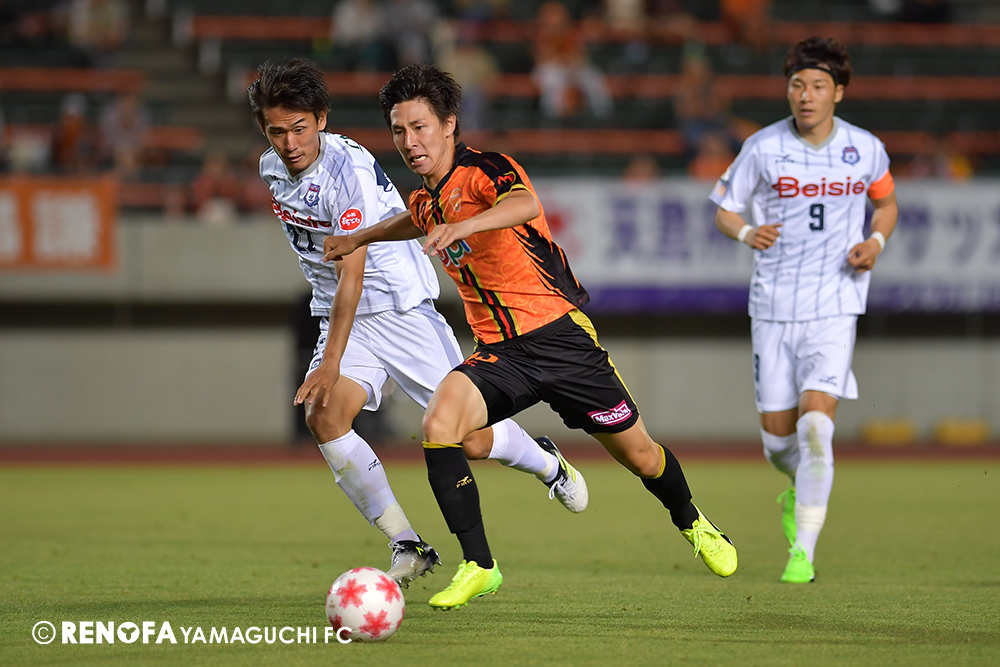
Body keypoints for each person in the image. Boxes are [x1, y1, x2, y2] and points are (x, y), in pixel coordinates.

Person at [323, 63, 737, 610]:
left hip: (561, 340)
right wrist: (361, 237)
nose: (410, 141)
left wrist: (465, 225)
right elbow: (413, 220)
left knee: (641, 456)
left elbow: (525, 205)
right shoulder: (424, 201)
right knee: (441, 427)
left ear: (448, 124)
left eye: (420, 127)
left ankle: (692, 520)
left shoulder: (486, 170)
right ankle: (479, 565)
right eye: (399, 131)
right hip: (501, 354)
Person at [246, 59, 587, 588]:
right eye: (277, 132)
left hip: (400, 309)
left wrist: (329, 361)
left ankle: (547, 463)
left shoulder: (348, 171)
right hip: (343, 315)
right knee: (324, 415)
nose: (290, 143)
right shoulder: (271, 167)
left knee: (472, 439)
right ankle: (408, 543)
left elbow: (354, 274)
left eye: (300, 128)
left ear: (322, 119)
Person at [710, 37, 899, 583]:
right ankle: (797, 487)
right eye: (797, 85)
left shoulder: (865, 148)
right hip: (773, 306)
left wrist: (875, 243)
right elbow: (724, 209)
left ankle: (804, 552)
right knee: (778, 442)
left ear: (838, 92)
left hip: (836, 304)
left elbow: (886, 204)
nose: (806, 95)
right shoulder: (763, 147)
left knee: (816, 426)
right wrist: (747, 232)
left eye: (818, 85)